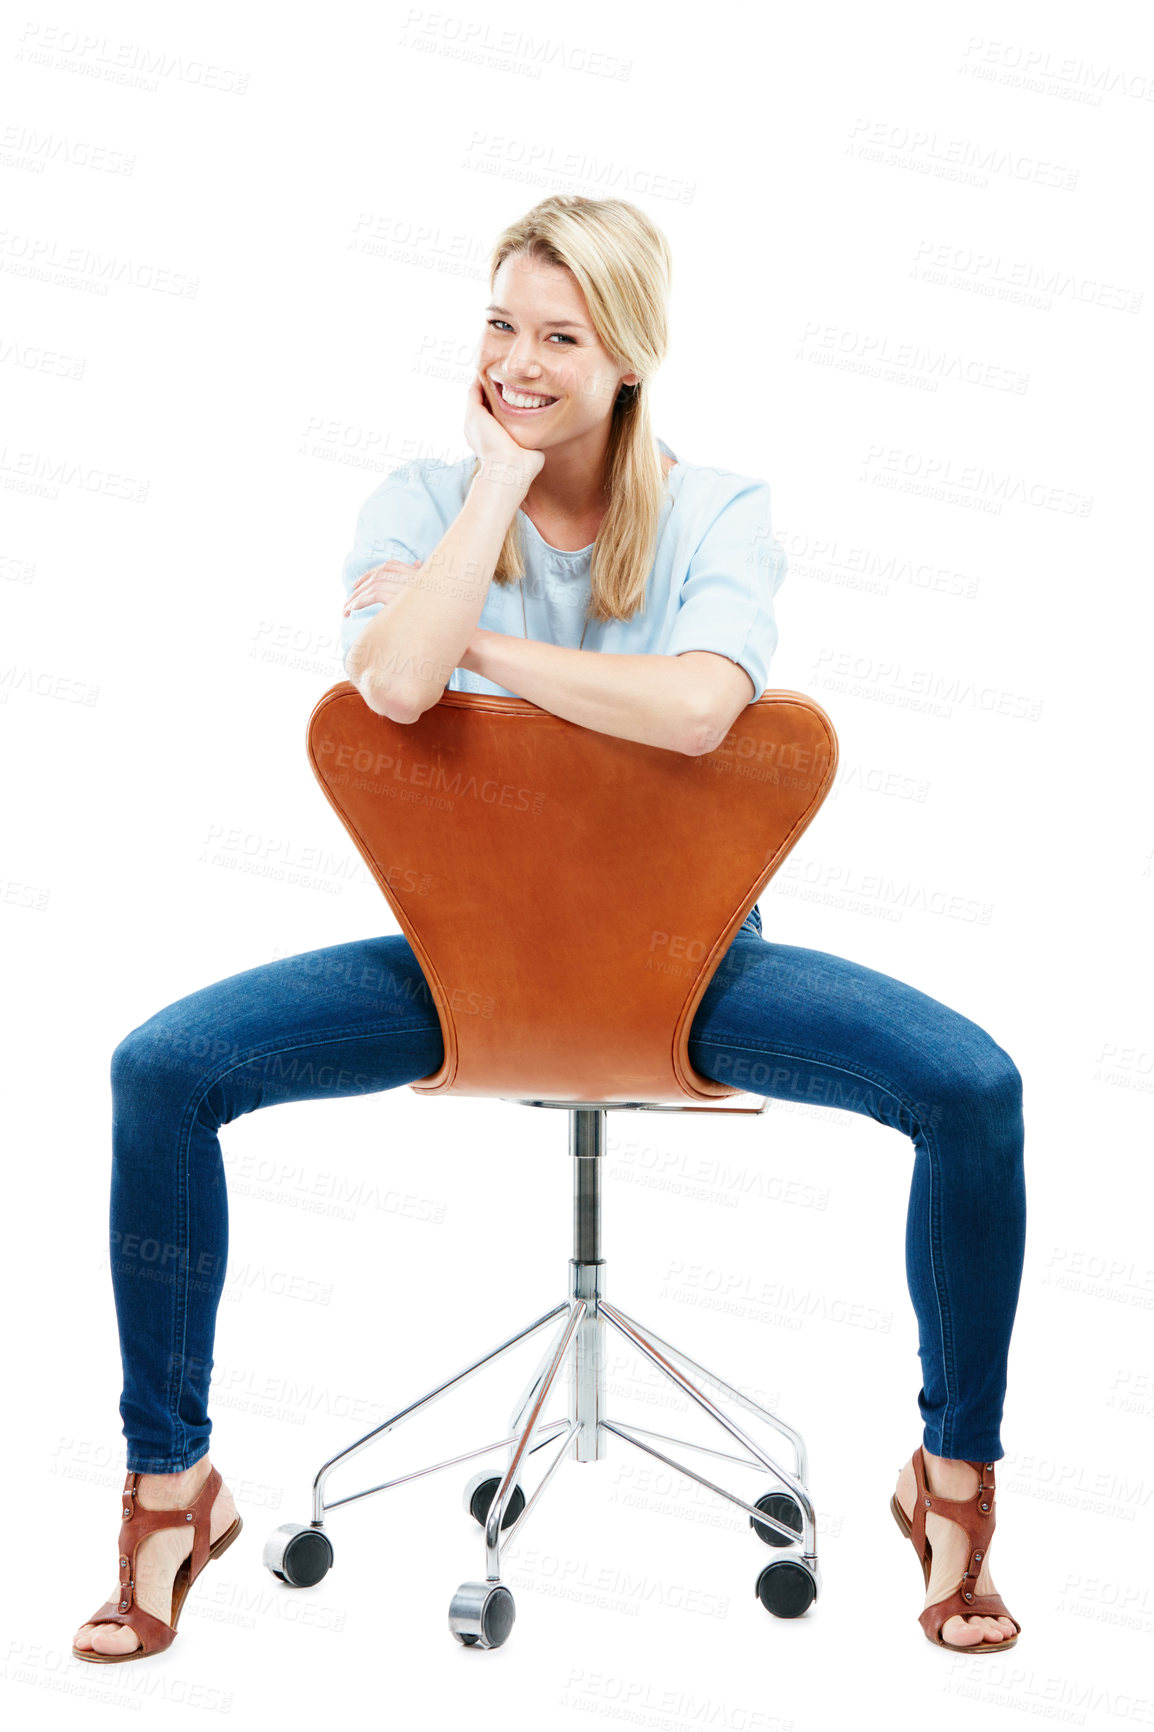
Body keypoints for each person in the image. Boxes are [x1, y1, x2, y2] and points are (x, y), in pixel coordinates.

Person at [73, 194, 1023, 1662]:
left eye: (560, 336)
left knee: (971, 1091)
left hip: (686, 965)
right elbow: (390, 692)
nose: (518, 358)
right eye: (501, 323)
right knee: (162, 1068)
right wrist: (490, 495)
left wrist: (475, 646)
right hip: (466, 965)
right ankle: (168, 1487)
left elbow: (705, 705)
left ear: (627, 355)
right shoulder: (419, 499)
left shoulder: (719, 511)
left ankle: (949, 1481)